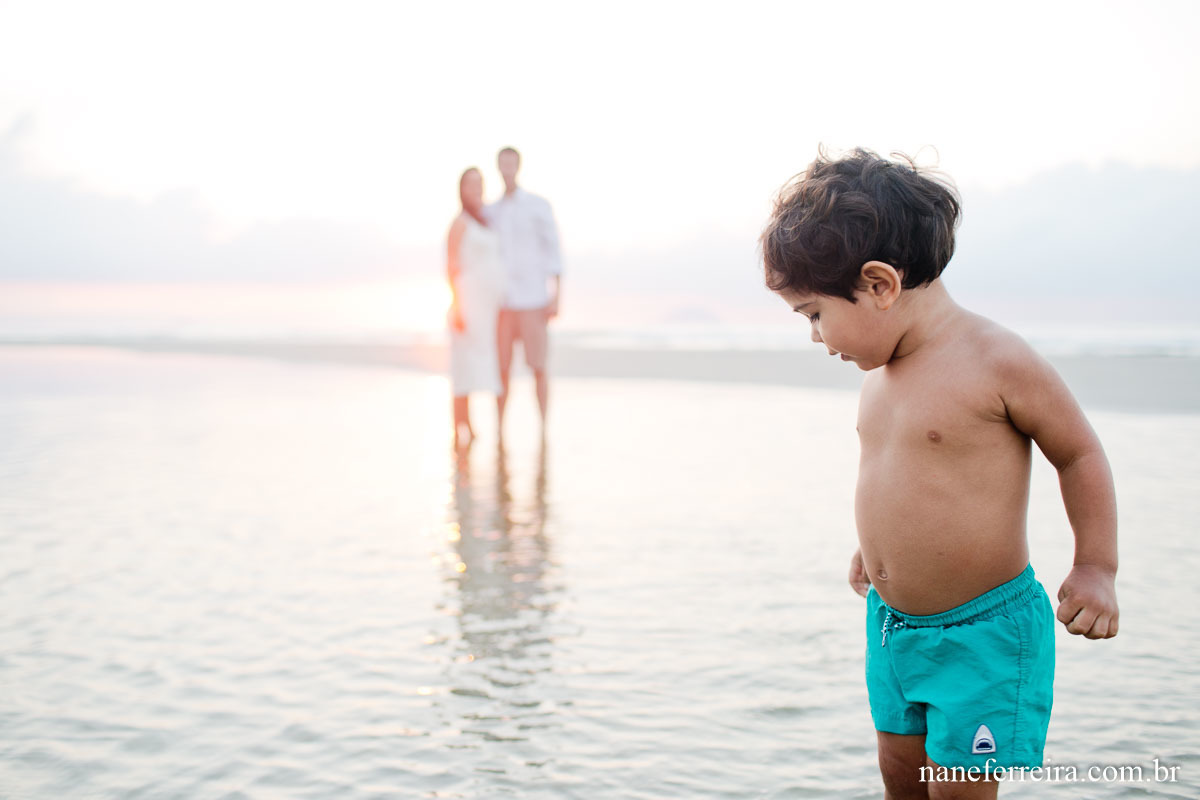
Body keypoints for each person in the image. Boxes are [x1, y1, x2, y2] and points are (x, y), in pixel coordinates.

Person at [760, 148, 1119, 798]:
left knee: (955, 788)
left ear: (878, 285)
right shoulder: (880, 375)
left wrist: (1096, 565)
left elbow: (1079, 454)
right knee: (899, 774)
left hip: (982, 632)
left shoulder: (995, 359)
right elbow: (900, 475)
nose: (814, 335)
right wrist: (878, 546)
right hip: (893, 624)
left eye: (814, 313)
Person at [488, 146, 563, 433]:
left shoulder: (537, 205)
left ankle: (543, 428)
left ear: (518, 166)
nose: (507, 169)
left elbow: (554, 250)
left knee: (538, 367)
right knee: (502, 369)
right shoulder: (491, 211)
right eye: (503, 164)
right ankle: (499, 430)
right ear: (498, 167)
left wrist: (556, 295)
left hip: (533, 299)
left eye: (511, 163)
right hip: (503, 303)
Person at [446, 167, 505, 449]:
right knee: (463, 367)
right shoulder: (459, 223)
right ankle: (461, 428)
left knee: (480, 366)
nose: (476, 188)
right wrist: (457, 306)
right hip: (467, 305)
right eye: (470, 184)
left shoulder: (486, 221)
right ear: (461, 189)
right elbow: (451, 265)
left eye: (480, 183)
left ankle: (478, 426)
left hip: (487, 310)